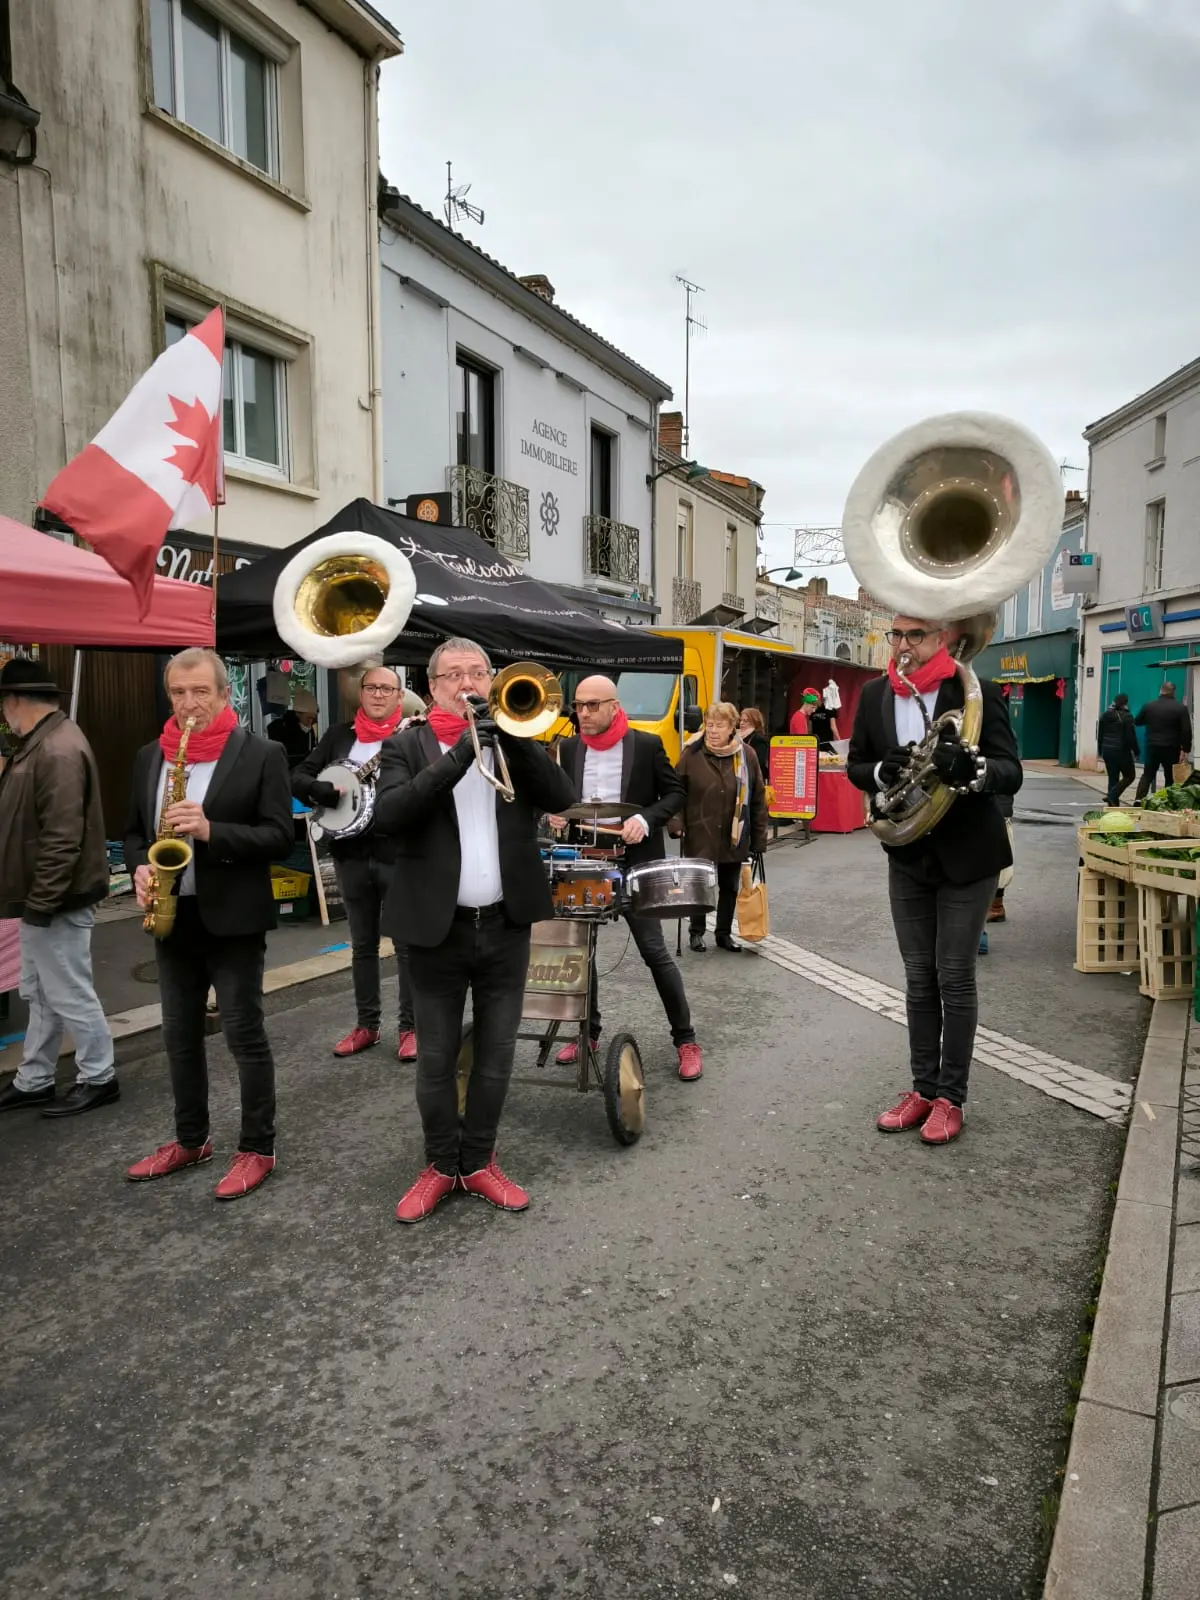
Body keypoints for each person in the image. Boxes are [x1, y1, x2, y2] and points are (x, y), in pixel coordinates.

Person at [373, 637, 576, 1223]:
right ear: (433, 684)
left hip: (504, 924)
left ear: (491, 681)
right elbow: (392, 815)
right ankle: (441, 1164)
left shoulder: (514, 735)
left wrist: (513, 738)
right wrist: (462, 752)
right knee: (436, 1058)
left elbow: (562, 796)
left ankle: (480, 1160)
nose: (467, 683)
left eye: (477, 673)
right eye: (453, 674)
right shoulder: (404, 746)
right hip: (435, 930)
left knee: (496, 1054)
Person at [124, 648, 293, 1199]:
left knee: (244, 1035)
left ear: (225, 695)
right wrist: (138, 868)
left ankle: (256, 1147)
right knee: (179, 1037)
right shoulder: (153, 755)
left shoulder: (261, 753)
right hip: (175, 915)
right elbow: (131, 831)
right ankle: (191, 1138)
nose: (189, 703)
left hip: (234, 917)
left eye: (201, 692)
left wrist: (211, 830)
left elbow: (278, 837)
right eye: (179, 693)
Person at [847, 615, 1022, 1144]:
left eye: (915, 636)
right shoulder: (876, 693)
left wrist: (974, 770)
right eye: (895, 635)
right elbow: (856, 764)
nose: (902, 646)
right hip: (907, 854)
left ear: (942, 638)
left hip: (969, 856)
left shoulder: (975, 692)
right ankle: (922, 1088)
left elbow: (1010, 769)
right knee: (918, 976)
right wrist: (882, 770)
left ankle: (952, 1097)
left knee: (954, 975)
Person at [550, 675, 703, 1081]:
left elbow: (675, 795)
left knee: (654, 951)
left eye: (592, 705)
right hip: (586, 861)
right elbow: (561, 798)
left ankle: (686, 1040)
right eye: (578, 705)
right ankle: (589, 1033)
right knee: (581, 951)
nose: (583, 713)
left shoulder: (647, 745)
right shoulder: (568, 748)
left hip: (635, 860)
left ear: (615, 706)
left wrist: (644, 818)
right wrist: (553, 811)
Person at [0, 659, 118, 1117]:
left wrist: (41, 903)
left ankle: (99, 1075)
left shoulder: (55, 748)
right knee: (42, 990)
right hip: (48, 896)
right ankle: (36, 1077)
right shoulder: (48, 741)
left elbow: (62, 837)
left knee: (65, 990)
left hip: (54, 897)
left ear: (14, 701)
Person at [292, 668, 424, 1061]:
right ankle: (367, 1025)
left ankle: (410, 1028)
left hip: (396, 853)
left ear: (400, 696)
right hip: (350, 853)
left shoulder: (413, 735)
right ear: (360, 694)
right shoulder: (337, 736)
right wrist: (320, 791)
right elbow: (298, 775)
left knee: (405, 946)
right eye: (371, 688)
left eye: (387, 688)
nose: (378, 695)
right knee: (362, 945)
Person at [673, 701, 769, 954]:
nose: (713, 730)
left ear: (732, 727)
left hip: (733, 833)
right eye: (710, 724)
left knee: (730, 887)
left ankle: (724, 934)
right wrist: (676, 823)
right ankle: (696, 933)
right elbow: (675, 792)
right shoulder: (691, 754)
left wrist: (759, 839)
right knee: (700, 884)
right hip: (699, 829)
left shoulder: (747, 754)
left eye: (720, 725)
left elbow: (757, 797)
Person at [1134, 683, 1192, 799]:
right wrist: (1185, 749)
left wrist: (1151, 721)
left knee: (1148, 775)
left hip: (1152, 746)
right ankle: (1166, 802)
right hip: (1171, 748)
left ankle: (1138, 800)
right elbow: (1186, 731)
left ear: (1160, 691)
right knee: (1170, 777)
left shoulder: (1149, 706)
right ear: (1173, 692)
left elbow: (1137, 721)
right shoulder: (1181, 708)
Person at [1097, 692, 1139, 806]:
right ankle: (1112, 795)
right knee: (1130, 776)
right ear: (1125, 703)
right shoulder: (1127, 716)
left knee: (1113, 777)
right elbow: (1131, 737)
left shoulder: (1105, 714)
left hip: (1107, 751)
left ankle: (1113, 805)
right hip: (1121, 751)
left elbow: (1100, 734)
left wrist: (1100, 749)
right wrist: (1136, 751)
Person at [267, 691, 319, 769]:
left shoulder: (309, 729)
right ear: (298, 713)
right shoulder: (279, 728)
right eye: (308, 718)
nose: (310, 722)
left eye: (313, 719)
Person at [738, 707, 772, 781]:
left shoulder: (758, 739)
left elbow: (760, 763)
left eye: (745, 721)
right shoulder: (738, 738)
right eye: (741, 720)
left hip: (752, 780)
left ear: (755, 722)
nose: (741, 723)